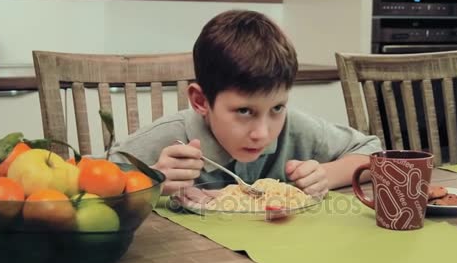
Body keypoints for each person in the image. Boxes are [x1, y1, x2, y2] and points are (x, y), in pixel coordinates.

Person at [111, 10, 382, 196]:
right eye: (244, 111)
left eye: (277, 108)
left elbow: (374, 155)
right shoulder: (169, 139)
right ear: (200, 101)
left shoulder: (295, 127)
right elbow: (89, 184)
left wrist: (326, 174)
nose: (262, 133)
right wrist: (150, 182)